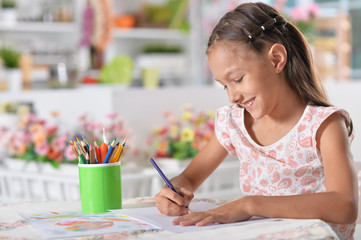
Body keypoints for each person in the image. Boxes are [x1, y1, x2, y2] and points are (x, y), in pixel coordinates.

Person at [154, 2, 358, 239]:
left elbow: (346, 206)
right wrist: (175, 192)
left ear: (276, 60)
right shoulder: (233, 123)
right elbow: (189, 178)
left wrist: (250, 205)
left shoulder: (324, 125)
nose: (233, 96)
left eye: (238, 79)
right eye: (224, 86)